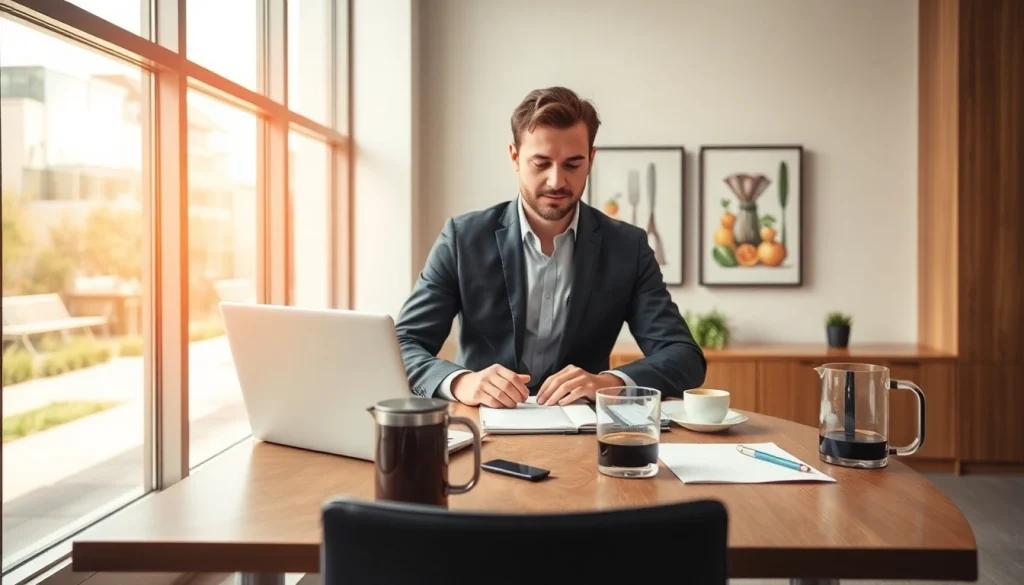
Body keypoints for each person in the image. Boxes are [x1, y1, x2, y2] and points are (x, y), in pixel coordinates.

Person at [395, 86, 706, 408]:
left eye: (572, 164)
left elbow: (684, 357)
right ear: (514, 156)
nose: (557, 181)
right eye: (541, 163)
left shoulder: (628, 247)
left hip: (583, 429)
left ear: (591, 159)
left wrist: (609, 383)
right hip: (481, 424)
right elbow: (403, 344)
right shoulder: (462, 238)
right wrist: (461, 382)